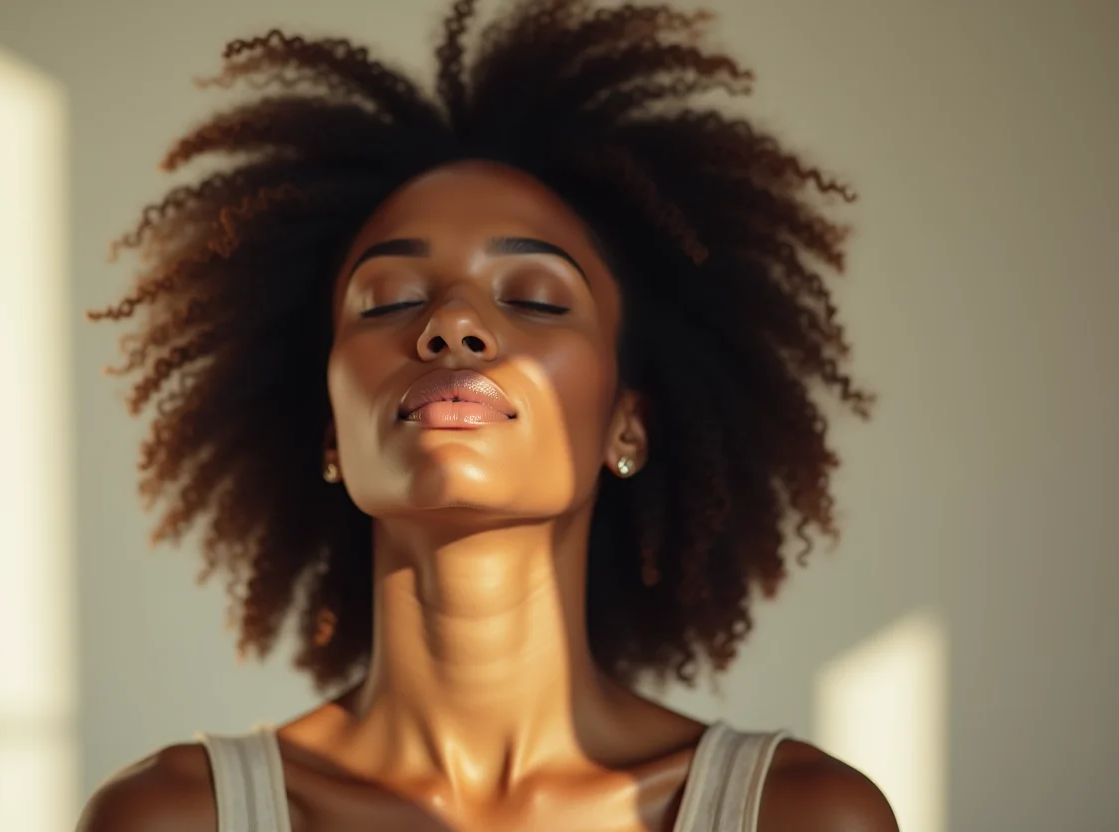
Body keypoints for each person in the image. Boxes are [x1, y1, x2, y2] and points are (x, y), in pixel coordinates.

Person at [78, 1, 896, 829]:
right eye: (389, 300)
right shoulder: (172, 817)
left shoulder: (801, 815)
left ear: (627, 424)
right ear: (331, 429)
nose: (452, 326)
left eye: (536, 301)